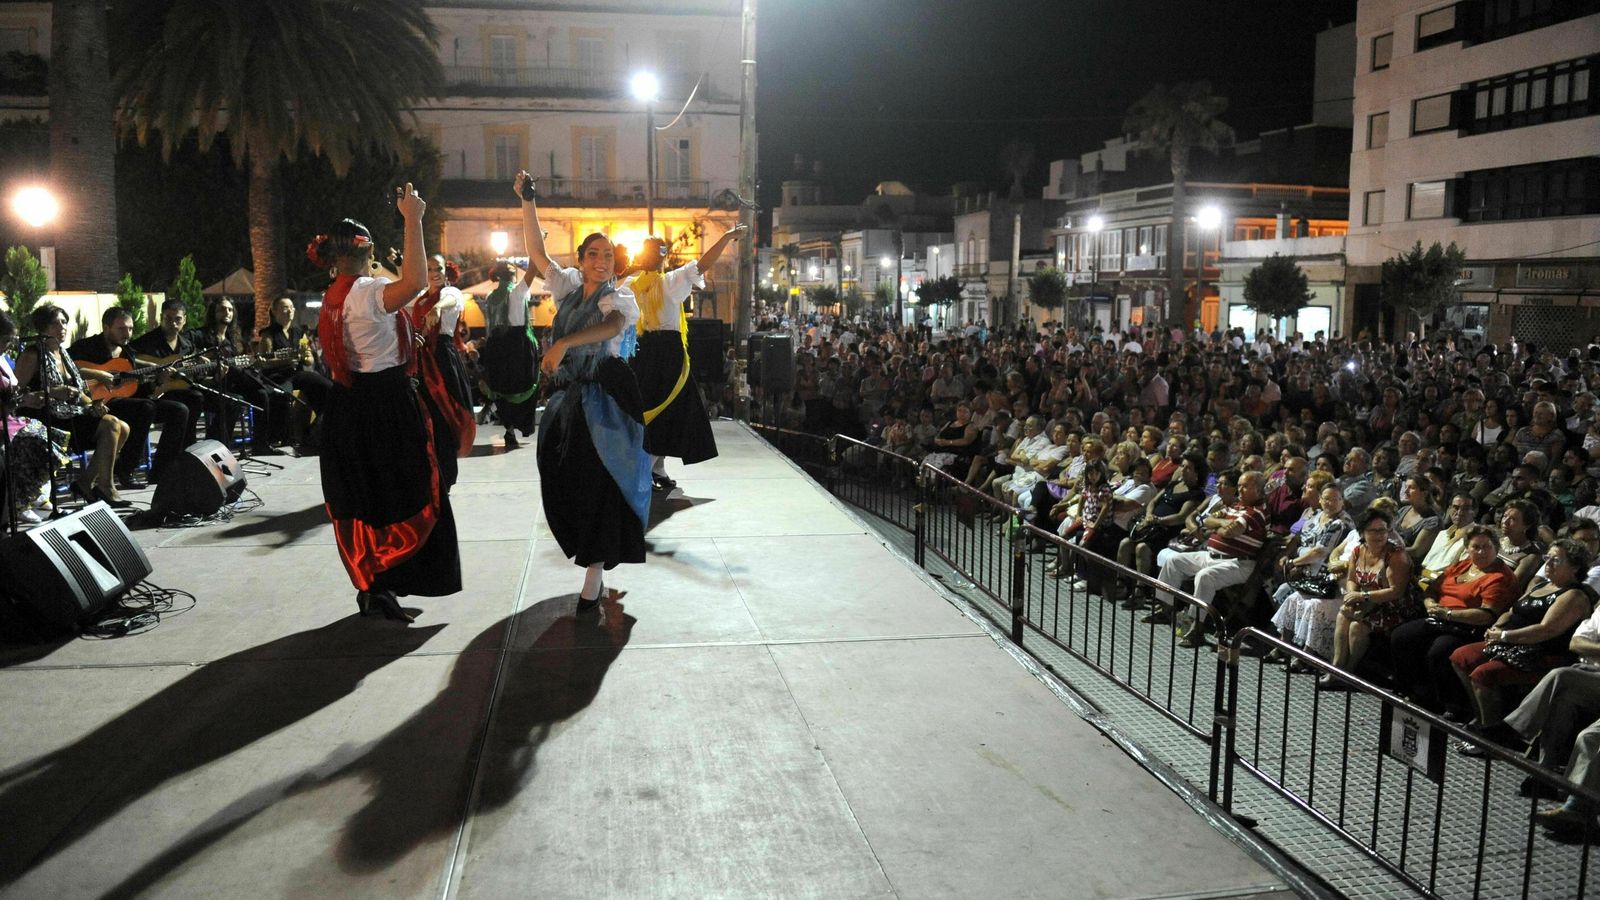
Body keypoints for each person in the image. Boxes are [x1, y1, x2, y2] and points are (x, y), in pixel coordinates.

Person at [310, 185, 460, 622]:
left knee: (365, 501)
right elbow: (413, 283)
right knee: (409, 492)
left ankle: (374, 587)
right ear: (368, 248)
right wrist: (413, 218)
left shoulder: (336, 295)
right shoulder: (365, 293)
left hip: (349, 404)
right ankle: (386, 583)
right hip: (384, 405)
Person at [517, 171, 651, 607]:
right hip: (568, 400)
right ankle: (592, 560)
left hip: (605, 398)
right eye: (594, 253)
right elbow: (537, 253)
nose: (602, 260)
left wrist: (562, 342)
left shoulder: (620, 298)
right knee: (561, 480)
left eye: (608, 254)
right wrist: (528, 201)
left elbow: (610, 328)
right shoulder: (569, 288)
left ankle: (592, 578)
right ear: (580, 258)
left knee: (598, 482)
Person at [626, 225, 745, 491]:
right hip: (657, 351)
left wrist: (726, 237)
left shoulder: (637, 284)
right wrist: (725, 237)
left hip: (652, 352)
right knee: (658, 409)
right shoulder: (652, 283)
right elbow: (701, 265)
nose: (660, 255)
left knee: (669, 408)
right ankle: (647, 468)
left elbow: (701, 265)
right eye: (658, 251)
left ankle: (656, 468)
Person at [1390, 525, 1519, 717]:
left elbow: (1487, 614)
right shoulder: (1463, 565)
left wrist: (1449, 614)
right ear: (1467, 548)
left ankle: (1453, 705)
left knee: (1439, 651)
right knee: (1401, 635)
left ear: (1496, 548)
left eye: (1487, 547)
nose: (1481, 552)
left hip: (1469, 627)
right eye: (1476, 547)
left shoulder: (1499, 576)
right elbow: (1432, 588)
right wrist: (1430, 603)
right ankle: (1415, 691)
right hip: (1440, 617)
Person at [10, 305, 131, 508]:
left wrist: (92, 404)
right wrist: (50, 393)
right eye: (55, 323)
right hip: (44, 416)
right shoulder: (33, 354)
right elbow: (14, 397)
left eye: (64, 322)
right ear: (42, 327)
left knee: (123, 428)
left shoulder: (62, 353)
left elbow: (77, 390)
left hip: (70, 413)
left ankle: (85, 482)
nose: (62, 327)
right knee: (111, 425)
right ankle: (106, 487)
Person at [68, 306, 191, 488]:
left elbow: (136, 382)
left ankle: (162, 471)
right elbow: (67, 369)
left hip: (124, 402)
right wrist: (100, 375)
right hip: (95, 405)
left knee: (179, 410)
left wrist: (158, 376)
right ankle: (125, 469)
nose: (127, 334)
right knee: (145, 408)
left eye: (130, 329)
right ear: (106, 327)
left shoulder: (127, 351)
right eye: (121, 329)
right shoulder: (85, 347)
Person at [1319, 507, 1414, 688]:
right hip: (1367, 601)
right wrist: (1351, 596)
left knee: (1357, 626)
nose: (1379, 535)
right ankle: (1336, 667)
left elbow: (1396, 592)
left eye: (1383, 530)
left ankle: (1349, 672)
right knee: (1343, 613)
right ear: (1362, 532)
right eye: (1373, 530)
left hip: (1393, 606)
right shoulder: (1358, 551)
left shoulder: (1396, 555)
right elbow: (1352, 580)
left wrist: (1362, 596)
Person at [407, 256, 476, 469]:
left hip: (442, 358)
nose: (434, 272)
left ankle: (445, 463)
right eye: (429, 269)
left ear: (446, 271)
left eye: (438, 268)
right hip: (420, 358)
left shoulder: (449, 292)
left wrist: (437, 308)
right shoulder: (419, 298)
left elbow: (451, 300)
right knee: (423, 410)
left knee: (445, 409)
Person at [0, 310, 67, 524]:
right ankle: (20, 501)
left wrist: (28, 398)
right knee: (35, 443)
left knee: (49, 437)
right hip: (2, 422)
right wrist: (23, 401)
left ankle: (30, 495)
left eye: (12, 340)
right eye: (5, 340)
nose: (10, 345)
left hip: (8, 417)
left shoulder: (3, 359)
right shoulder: (32, 354)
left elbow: (13, 393)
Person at [475, 259, 540, 449]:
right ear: (512, 275)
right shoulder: (518, 291)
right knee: (525, 385)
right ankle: (520, 425)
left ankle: (509, 428)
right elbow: (533, 271)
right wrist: (537, 247)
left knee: (503, 389)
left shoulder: (491, 296)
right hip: (517, 345)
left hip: (496, 344)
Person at [255, 296, 333, 452]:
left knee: (327, 387)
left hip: (297, 374)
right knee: (283, 394)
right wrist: (283, 362)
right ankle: (281, 437)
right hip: (277, 375)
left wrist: (305, 357)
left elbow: (309, 360)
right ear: (275, 312)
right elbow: (262, 361)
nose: (289, 310)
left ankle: (317, 431)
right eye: (285, 307)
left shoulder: (299, 332)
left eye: (291, 307)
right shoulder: (268, 334)